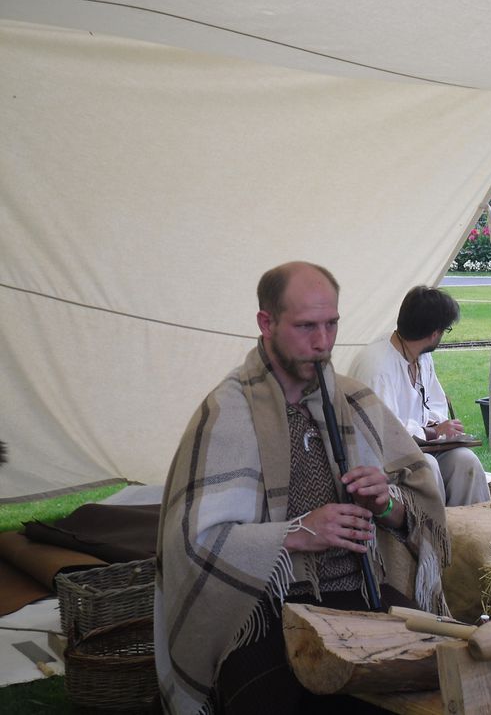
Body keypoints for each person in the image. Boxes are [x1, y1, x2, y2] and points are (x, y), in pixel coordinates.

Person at [155, 262, 450, 715]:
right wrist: (297, 531)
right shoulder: (228, 412)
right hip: (265, 607)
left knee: (436, 678)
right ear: (266, 323)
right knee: (274, 700)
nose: (322, 342)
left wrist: (384, 502)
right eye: (305, 326)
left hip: (363, 588)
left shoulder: (353, 401)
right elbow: (192, 543)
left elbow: (418, 508)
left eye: (331, 324)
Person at [349, 286, 490, 507]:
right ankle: (432, 536)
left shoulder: (421, 357)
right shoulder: (377, 368)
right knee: (427, 467)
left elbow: (435, 403)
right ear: (434, 333)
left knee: (465, 461)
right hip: (379, 459)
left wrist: (441, 427)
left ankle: (470, 532)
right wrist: (432, 432)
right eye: (445, 330)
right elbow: (382, 433)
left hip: (419, 448)